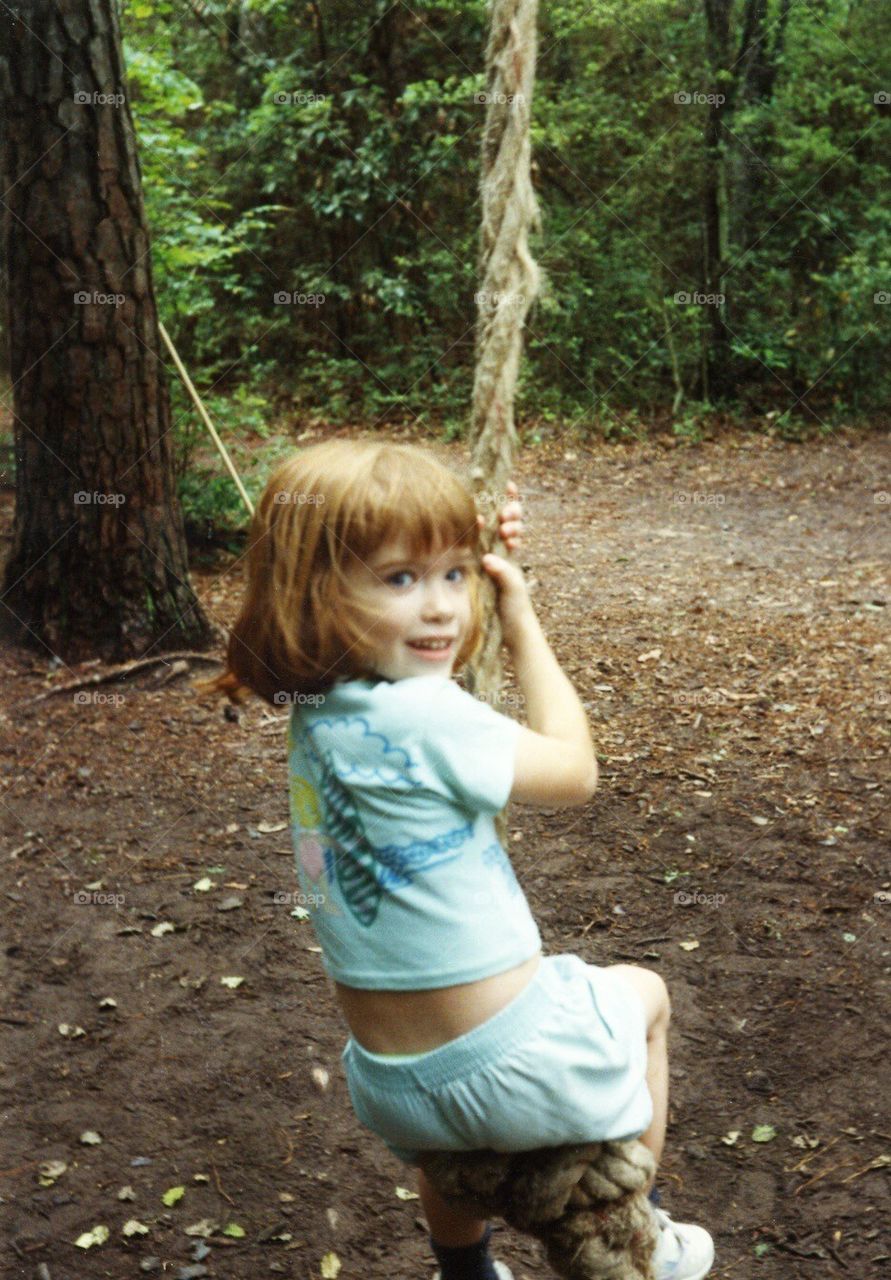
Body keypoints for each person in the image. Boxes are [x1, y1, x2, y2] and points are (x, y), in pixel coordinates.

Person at [203, 438, 714, 1280]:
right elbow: (575, 771)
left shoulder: (318, 714)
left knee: (452, 1155)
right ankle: (641, 1232)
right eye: (400, 579)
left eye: (452, 575)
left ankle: (464, 1270)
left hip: (393, 1088)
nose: (441, 607)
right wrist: (518, 621)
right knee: (645, 997)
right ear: (316, 592)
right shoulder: (426, 716)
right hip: (518, 1060)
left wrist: (472, 554)